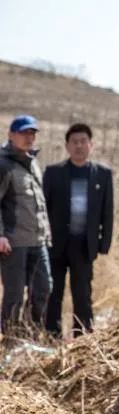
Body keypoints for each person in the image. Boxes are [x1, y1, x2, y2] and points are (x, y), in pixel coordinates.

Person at [43, 123, 113, 337]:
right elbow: (44, 208)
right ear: (67, 145)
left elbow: (107, 212)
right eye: (75, 142)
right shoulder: (53, 173)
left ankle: (82, 338)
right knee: (53, 292)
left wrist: (104, 242)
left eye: (83, 141)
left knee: (82, 294)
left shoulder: (102, 174)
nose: (79, 146)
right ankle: (52, 336)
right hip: (56, 243)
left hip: (84, 245)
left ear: (91, 145)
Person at [0, 115, 52, 334]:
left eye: (32, 133)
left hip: (38, 240)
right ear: (11, 135)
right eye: (24, 133)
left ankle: (32, 334)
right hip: (14, 242)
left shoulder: (33, 162)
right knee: (14, 295)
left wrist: (46, 235)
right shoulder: (3, 165)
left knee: (44, 287)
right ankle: (9, 341)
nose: (29, 137)